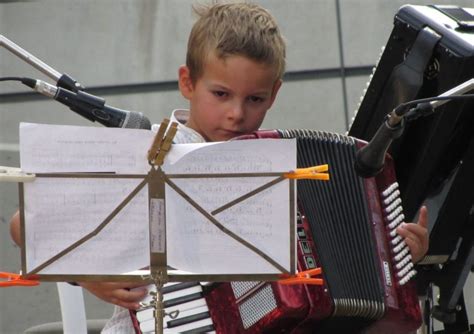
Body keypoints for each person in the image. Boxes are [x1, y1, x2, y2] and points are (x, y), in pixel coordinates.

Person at [9, 1, 429, 333]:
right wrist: (88, 274)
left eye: (255, 100)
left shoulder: (285, 167)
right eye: (221, 93)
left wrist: (397, 257)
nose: (236, 114)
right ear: (188, 82)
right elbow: (24, 226)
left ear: (274, 94)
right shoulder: (147, 153)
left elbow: (346, 282)